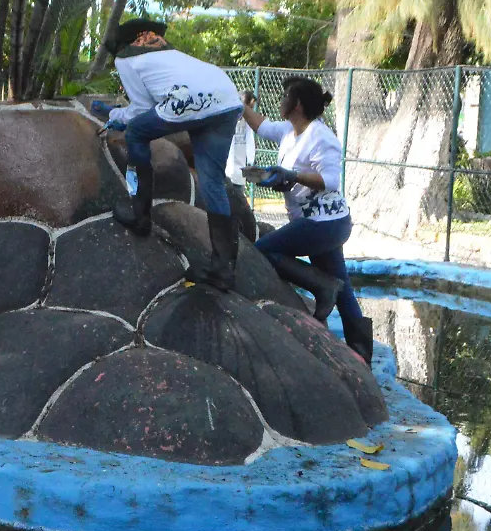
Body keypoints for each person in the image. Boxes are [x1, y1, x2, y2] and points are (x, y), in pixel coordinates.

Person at [92, 18, 243, 289]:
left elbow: (140, 110)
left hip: (191, 101)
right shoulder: (170, 54)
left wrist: (111, 113)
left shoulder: (126, 58)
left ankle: (140, 214)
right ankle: (223, 270)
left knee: (137, 133)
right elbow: (154, 104)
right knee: (212, 182)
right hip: (227, 99)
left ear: (123, 42)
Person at [241, 77, 372, 361]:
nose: (280, 100)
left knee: (262, 251)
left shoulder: (319, 136)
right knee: (344, 289)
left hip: (324, 223)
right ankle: (361, 355)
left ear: (296, 104)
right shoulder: (290, 131)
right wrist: (240, 106)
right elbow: (261, 125)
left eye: (285, 95)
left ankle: (320, 286)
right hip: (321, 223)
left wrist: (292, 176)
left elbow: (331, 180)